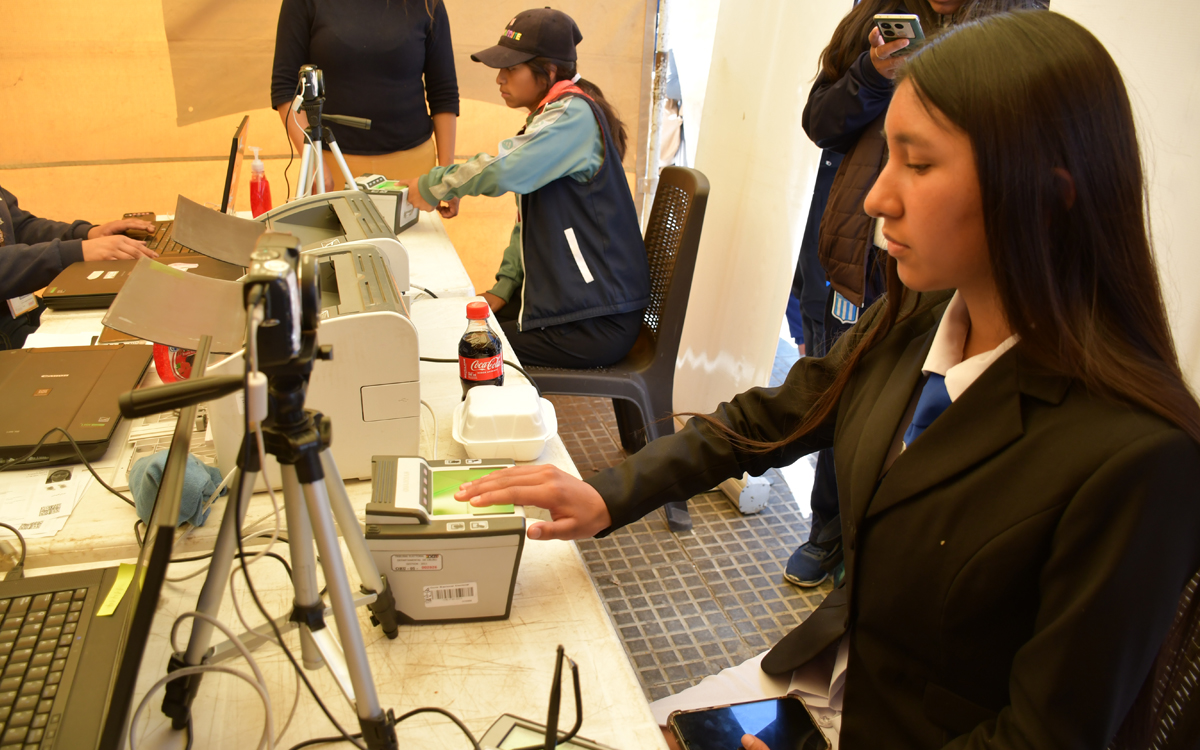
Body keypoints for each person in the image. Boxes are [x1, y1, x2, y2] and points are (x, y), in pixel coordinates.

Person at [454, 11, 1200, 749]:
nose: (876, 197)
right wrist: (607, 492)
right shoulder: (915, 321)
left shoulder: (1136, 460)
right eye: (886, 158)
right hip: (832, 691)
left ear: (1047, 192)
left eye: (919, 162)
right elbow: (766, 418)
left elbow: (1044, 737)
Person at [784, 0, 1048, 590]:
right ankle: (832, 529)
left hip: (932, 260)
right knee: (846, 378)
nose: (881, 196)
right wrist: (872, 75)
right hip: (852, 253)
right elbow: (821, 121)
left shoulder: (1011, 22)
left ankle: (874, 544)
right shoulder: (874, 18)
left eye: (921, 162)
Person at [403, 8, 650, 369]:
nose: (499, 79)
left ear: (548, 72)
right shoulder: (555, 115)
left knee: (456, 353)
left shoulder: (573, 117)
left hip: (594, 321)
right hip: (578, 307)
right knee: (457, 331)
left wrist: (434, 185)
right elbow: (527, 223)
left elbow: (505, 169)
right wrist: (504, 288)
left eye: (511, 68)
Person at [270, 0, 460, 209]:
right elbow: (287, 87)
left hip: (412, 170)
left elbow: (443, 92)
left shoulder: (428, 4)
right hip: (331, 167)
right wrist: (315, 164)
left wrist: (446, 175)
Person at [0, 186, 157, 349]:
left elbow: (18, 227)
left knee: (132, 324)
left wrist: (87, 233)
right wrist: (75, 251)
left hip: (21, 307)